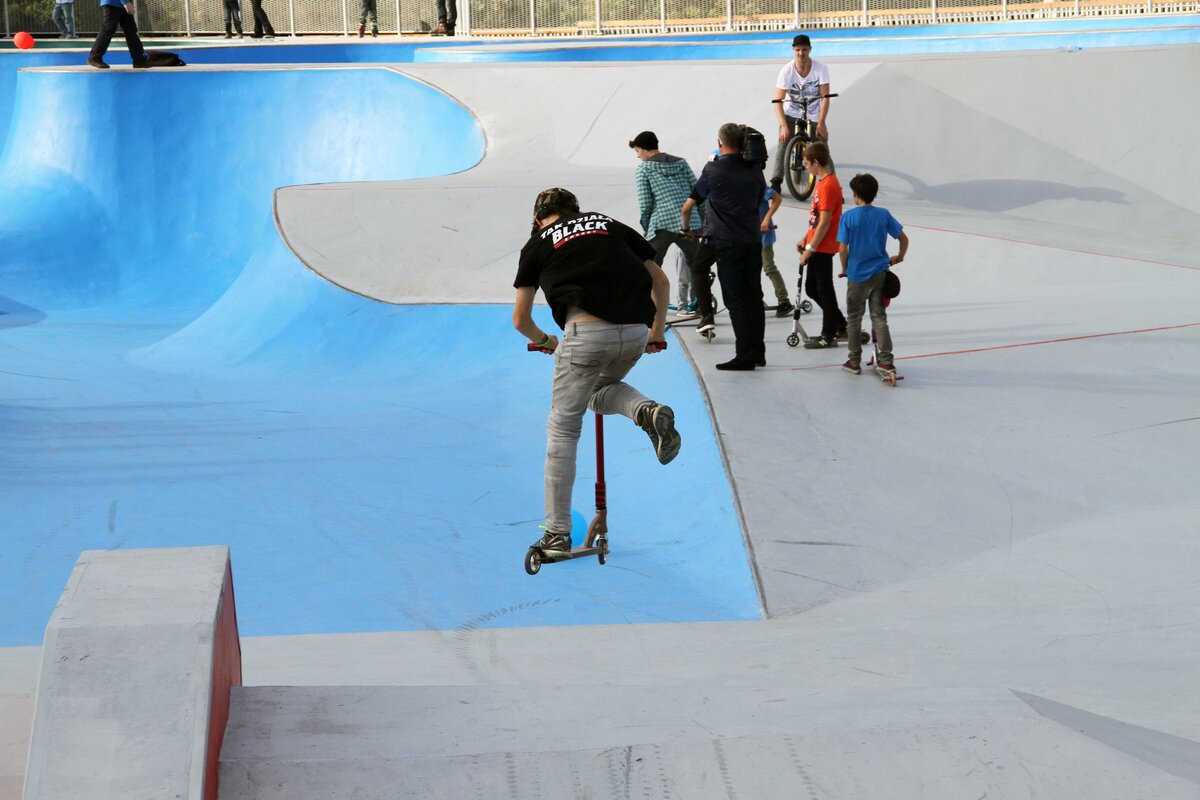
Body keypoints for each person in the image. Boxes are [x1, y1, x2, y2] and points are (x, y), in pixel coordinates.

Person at [513, 188, 681, 558]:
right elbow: (661, 281)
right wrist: (656, 331)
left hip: (585, 334)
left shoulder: (538, 243)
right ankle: (645, 410)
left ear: (539, 219)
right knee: (598, 390)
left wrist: (546, 340)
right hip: (636, 331)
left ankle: (557, 534)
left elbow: (520, 320)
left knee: (563, 428)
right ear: (575, 210)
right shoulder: (610, 224)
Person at [681, 123, 767, 371]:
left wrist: (686, 227)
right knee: (754, 296)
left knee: (735, 298)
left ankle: (745, 355)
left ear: (720, 143)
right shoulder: (754, 169)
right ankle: (758, 351)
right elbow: (760, 195)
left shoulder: (713, 169)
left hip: (726, 242)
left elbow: (688, 206)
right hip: (752, 240)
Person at [629, 130, 717, 331]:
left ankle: (648, 311)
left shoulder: (644, 169)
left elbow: (645, 203)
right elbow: (698, 193)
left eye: (637, 151)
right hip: (689, 223)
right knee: (699, 267)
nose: (637, 155)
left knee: (649, 266)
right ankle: (703, 311)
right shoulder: (682, 163)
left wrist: (645, 227)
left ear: (643, 149)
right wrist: (703, 222)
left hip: (660, 223)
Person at [837, 173, 908, 374]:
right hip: (879, 274)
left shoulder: (848, 217)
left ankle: (853, 361)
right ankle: (886, 360)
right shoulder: (883, 214)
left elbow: (843, 249)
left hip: (857, 275)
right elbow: (904, 239)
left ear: (856, 194)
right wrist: (899, 257)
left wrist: (845, 269)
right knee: (879, 317)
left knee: (853, 319)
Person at [797, 141, 845, 348]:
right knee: (812, 288)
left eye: (807, 164)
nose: (806, 168)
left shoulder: (828, 186)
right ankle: (841, 325)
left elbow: (825, 223)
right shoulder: (822, 183)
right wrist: (805, 238)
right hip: (817, 243)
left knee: (824, 289)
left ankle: (829, 334)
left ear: (816, 162)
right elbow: (815, 220)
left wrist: (810, 248)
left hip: (823, 247)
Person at [770, 34, 831, 190]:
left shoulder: (821, 68)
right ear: (793, 50)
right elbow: (778, 101)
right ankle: (776, 181)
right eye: (797, 50)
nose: (801, 53)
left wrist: (822, 122)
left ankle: (831, 183)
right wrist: (783, 125)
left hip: (813, 114)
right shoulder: (786, 71)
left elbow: (825, 97)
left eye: (804, 50)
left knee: (821, 146)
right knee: (783, 143)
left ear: (810, 49)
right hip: (792, 113)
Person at [759, 183, 793, 317]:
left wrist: (766, 219)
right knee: (751, 270)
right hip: (748, 237)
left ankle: (784, 300)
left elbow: (777, 198)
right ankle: (756, 298)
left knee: (768, 267)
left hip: (763, 236)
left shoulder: (757, 184)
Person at [88, 0, 149, 70]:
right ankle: (94, 57)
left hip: (120, 4)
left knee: (131, 30)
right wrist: (125, 2)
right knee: (108, 28)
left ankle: (139, 60)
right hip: (113, 3)